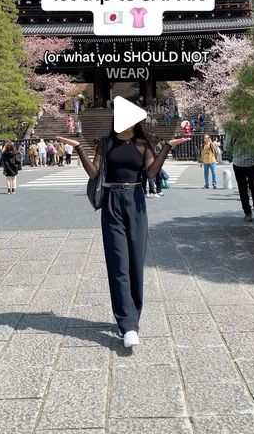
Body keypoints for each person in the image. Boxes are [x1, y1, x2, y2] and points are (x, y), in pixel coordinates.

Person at [57, 124, 189, 348]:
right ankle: (127, 325)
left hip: (136, 201)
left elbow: (151, 172)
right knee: (118, 262)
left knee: (136, 262)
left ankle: (132, 319)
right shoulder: (106, 142)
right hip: (112, 201)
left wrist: (166, 147)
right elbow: (94, 173)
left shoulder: (141, 143)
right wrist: (79, 148)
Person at [224, 134, 254, 222]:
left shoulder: (233, 129)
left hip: (238, 162)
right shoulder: (253, 126)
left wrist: (234, 152)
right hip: (252, 162)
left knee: (242, 188)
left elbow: (226, 146)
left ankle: (247, 213)